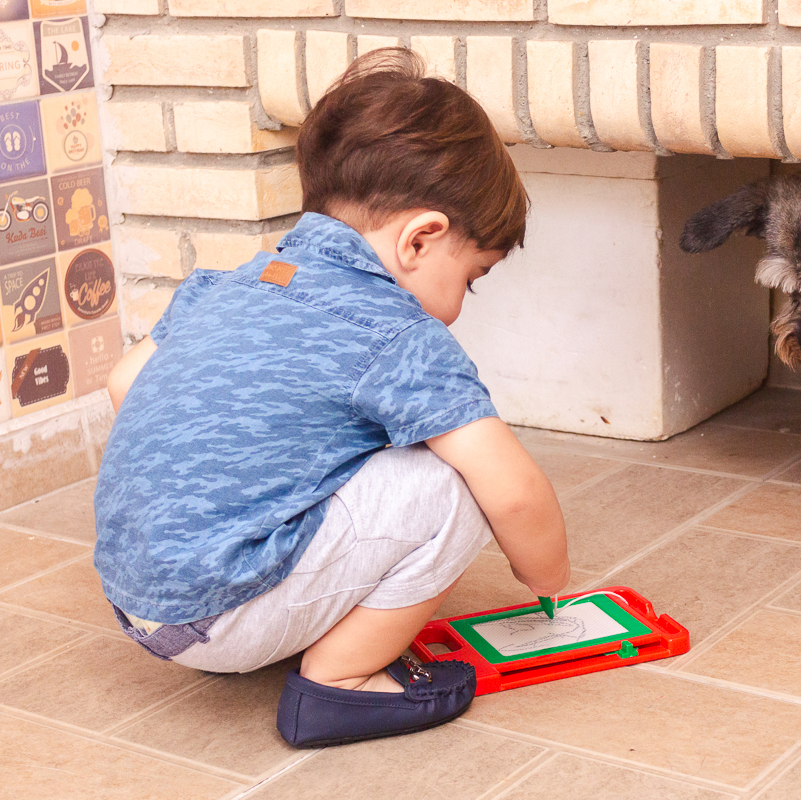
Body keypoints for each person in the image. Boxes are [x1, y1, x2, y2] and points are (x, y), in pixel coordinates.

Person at [93, 48, 571, 748]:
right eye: (470, 278)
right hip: (221, 621)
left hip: (137, 603)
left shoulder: (231, 283)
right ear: (421, 238)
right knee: (453, 482)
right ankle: (337, 685)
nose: (460, 308)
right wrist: (550, 580)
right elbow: (515, 492)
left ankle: (251, 605)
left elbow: (124, 385)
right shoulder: (396, 335)